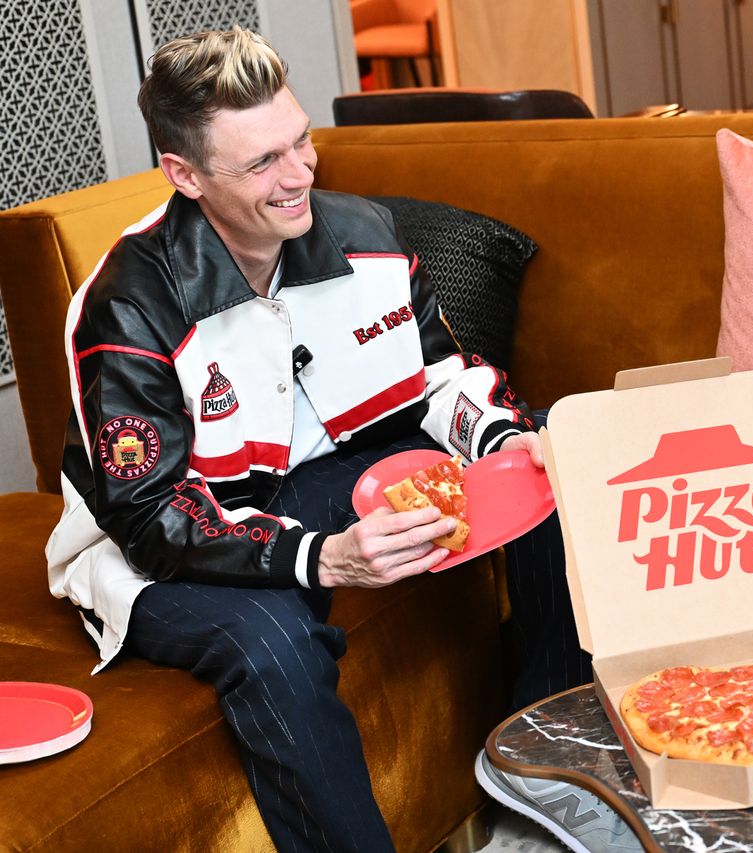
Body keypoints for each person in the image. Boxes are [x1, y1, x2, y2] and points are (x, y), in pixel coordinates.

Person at [44, 27, 628, 853]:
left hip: (322, 475)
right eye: (262, 162)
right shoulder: (129, 303)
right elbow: (150, 513)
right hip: (166, 538)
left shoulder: (369, 233)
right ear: (185, 174)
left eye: (301, 141)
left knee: (541, 476)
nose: (299, 176)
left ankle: (544, 786)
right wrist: (322, 557)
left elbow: (439, 377)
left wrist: (503, 439)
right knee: (273, 641)